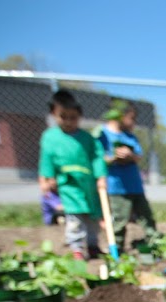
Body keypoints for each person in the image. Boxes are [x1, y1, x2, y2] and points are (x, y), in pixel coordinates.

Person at [38, 89, 107, 260]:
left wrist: (101, 177)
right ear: (54, 114)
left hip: (88, 184)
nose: (69, 121)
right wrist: (46, 178)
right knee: (75, 216)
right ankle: (77, 247)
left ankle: (93, 245)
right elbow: (46, 159)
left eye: (73, 117)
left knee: (92, 217)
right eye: (63, 116)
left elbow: (97, 157)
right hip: (68, 183)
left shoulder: (87, 138)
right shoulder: (50, 137)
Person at [98, 101, 158, 250]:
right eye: (131, 118)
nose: (134, 122)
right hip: (116, 186)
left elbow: (138, 156)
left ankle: (154, 242)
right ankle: (117, 247)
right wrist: (114, 157)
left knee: (146, 216)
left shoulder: (130, 137)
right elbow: (98, 158)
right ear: (120, 116)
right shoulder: (103, 135)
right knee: (119, 219)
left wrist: (130, 155)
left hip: (135, 185)